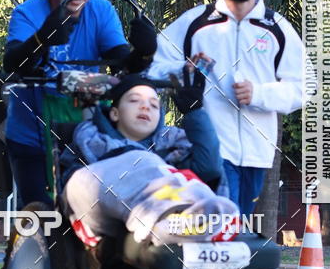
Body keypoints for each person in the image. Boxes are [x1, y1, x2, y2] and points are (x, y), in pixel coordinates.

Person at [148, 0, 305, 269]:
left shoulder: (276, 28)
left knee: (226, 237)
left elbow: (300, 88)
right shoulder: (193, 23)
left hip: (256, 150)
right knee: (224, 234)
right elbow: (155, 65)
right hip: (209, 149)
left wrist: (260, 92)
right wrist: (184, 69)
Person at [3, 0, 156, 208]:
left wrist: (144, 53)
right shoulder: (26, 12)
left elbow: (122, 64)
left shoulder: (101, 10)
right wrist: (41, 39)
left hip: (81, 126)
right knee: (39, 211)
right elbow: (13, 64)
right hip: (31, 128)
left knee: (88, 207)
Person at [61, 73, 239, 245]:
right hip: (99, 216)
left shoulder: (172, 147)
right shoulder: (88, 141)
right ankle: (171, 221)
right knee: (138, 160)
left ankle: (204, 214)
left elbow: (209, 168)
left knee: (180, 178)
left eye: (154, 105)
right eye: (134, 100)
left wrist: (194, 112)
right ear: (115, 113)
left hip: (171, 207)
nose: (145, 107)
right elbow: (73, 192)